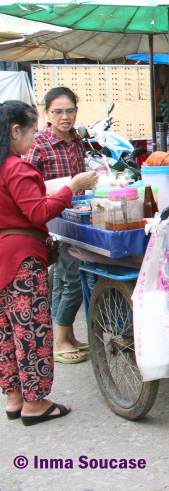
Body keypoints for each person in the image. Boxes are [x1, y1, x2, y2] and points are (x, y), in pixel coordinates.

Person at [1, 100, 98, 425]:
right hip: (21, 258)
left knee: (7, 332)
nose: (32, 138)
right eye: (30, 131)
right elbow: (39, 212)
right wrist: (71, 187)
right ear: (16, 131)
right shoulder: (16, 167)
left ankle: (15, 399)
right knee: (31, 331)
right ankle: (36, 404)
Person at [23, 87, 90, 365]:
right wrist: (64, 187)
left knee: (66, 277)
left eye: (70, 111)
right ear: (46, 113)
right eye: (58, 112)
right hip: (53, 219)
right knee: (72, 276)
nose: (65, 117)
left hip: (76, 216)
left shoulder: (77, 140)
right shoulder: (38, 143)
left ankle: (67, 336)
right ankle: (61, 339)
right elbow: (26, 186)